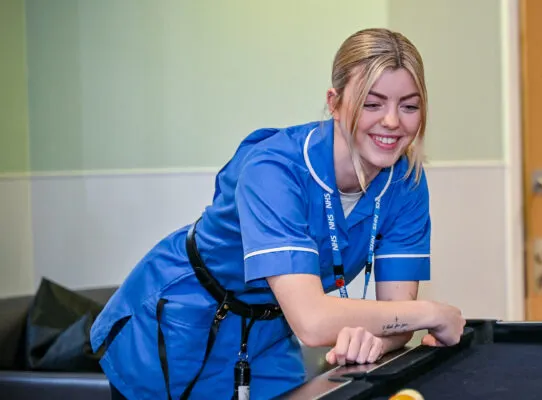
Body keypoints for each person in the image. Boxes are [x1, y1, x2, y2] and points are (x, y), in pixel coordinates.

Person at [89, 28, 466, 400]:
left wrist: (372, 340)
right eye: (372, 103)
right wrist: (433, 313)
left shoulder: (407, 181)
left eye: (409, 106)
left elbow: (396, 317)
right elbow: (315, 321)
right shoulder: (273, 169)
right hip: (182, 319)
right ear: (334, 103)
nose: (391, 122)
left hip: (269, 333)